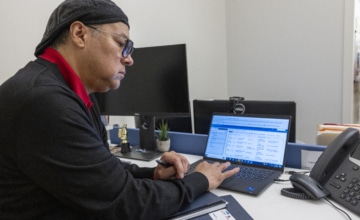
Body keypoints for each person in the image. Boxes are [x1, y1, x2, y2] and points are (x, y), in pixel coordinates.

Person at [0, 0, 239, 219]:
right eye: (121, 43)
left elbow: (100, 174)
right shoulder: (44, 100)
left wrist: (154, 174)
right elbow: (127, 203)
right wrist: (200, 181)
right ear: (79, 34)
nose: (129, 59)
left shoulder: (70, 93)